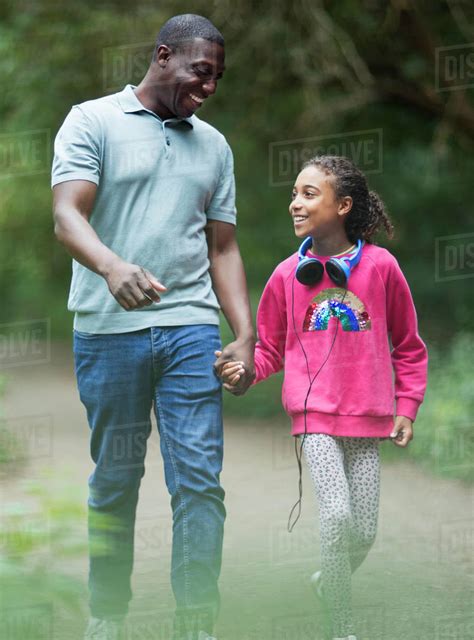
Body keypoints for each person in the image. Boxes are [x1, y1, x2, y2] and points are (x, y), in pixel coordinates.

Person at [52, 14, 255, 640]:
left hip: (190, 327)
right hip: (107, 330)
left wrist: (243, 334)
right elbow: (67, 214)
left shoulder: (213, 146)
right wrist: (112, 267)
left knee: (198, 479)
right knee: (115, 477)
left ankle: (197, 624)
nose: (210, 86)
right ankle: (107, 616)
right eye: (201, 71)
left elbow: (223, 247)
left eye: (218, 76)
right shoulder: (91, 121)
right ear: (164, 55)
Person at [216, 155, 428, 640]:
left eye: (309, 194)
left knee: (364, 531)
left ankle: (325, 582)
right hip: (313, 419)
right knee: (336, 514)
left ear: (344, 205)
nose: (295, 202)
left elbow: (409, 346)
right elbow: (268, 348)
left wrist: (407, 407)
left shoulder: (381, 267)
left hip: (369, 418)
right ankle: (341, 626)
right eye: (294, 192)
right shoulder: (288, 275)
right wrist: (244, 373)